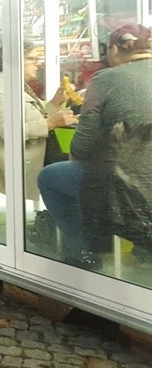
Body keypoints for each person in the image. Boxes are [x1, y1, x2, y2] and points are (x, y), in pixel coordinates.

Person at [38, 24, 152, 268]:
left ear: (114, 49)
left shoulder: (105, 80)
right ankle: (144, 247)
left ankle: (85, 253)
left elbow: (82, 146)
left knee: (50, 177)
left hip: (124, 184)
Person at [0, 42, 77, 203]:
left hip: (37, 153)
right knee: (82, 172)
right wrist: (50, 124)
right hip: (21, 159)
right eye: (32, 59)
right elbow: (9, 132)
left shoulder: (14, 85)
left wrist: (55, 103)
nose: (38, 64)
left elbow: (32, 118)